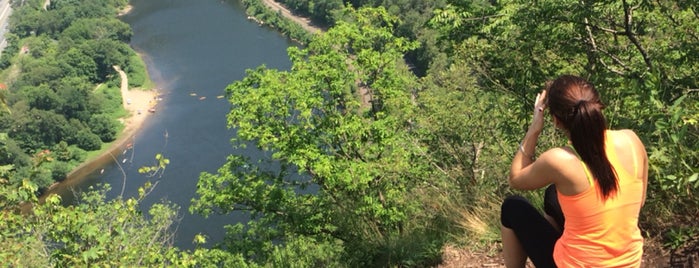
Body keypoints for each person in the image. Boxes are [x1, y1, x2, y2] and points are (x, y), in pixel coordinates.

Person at [500, 75, 648, 267]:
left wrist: (534, 128)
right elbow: (640, 201)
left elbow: (516, 177)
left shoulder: (560, 161)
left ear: (556, 121)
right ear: (598, 107)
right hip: (628, 263)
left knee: (512, 207)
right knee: (553, 195)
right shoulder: (631, 140)